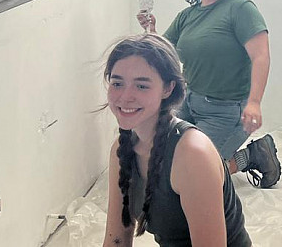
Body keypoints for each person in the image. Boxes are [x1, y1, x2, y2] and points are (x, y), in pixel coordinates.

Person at [138, 0, 281, 188]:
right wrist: (151, 29)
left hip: (226, 111)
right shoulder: (188, 15)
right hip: (188, 101)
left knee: (194, 174)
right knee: (164, 161)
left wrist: (254, 103)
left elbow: (261, 56)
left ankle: (251, 156)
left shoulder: (241, 9)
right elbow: (164, 52)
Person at [102, 34, 252, 247]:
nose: (125, 96)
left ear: (168, 88)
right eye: (117, 83)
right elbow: (116, 239)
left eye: (141, 86)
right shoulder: (122, 148)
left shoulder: (192, 154)